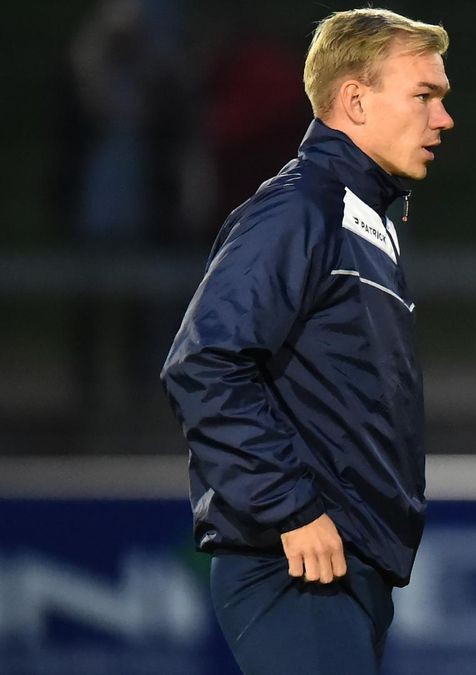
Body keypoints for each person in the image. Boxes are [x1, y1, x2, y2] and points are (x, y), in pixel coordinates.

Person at [160, 8, 453, 674]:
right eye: (424, 96)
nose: (443, 118)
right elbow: (203, 362)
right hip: (294, 559)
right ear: (354, 98)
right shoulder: (299, 207)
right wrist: (290, 506)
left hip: (345, 564)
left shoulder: (364, 219)